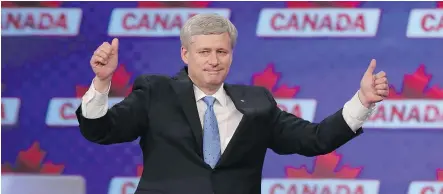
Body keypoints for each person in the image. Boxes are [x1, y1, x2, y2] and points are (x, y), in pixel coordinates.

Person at [76, 13, 389, 194]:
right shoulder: (155, 92)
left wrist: (362, 101)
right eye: (204, 52)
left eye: (221, 52)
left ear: (231, 55)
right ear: (186, 54)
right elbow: (101, 131)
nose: (214, 61)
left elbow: (315, 139)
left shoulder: (257, 102)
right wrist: (102, 82)